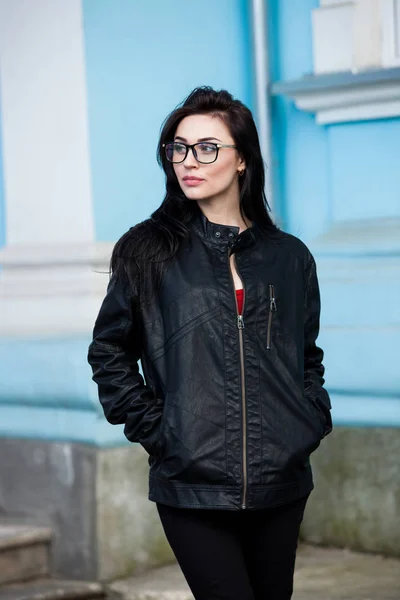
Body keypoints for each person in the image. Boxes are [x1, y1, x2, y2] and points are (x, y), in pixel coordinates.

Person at [87, 86, 332, 600]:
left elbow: (306, 355)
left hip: (281, 479)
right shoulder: (147, 250)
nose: (187, 161)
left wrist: (308, 419)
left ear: (242, 159)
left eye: (207, 147)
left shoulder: (289, 258)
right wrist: (160, 430)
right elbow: (109, 352)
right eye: (178, 148)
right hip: (191, 481)